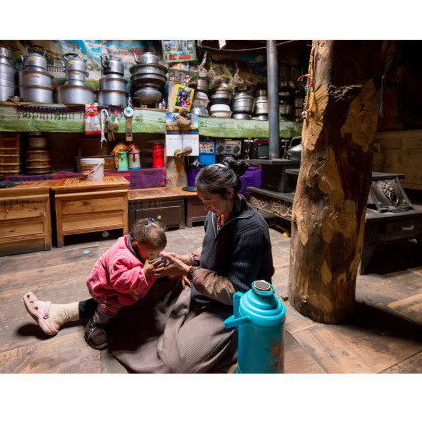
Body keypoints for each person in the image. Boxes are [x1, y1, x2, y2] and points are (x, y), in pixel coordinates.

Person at [23, 157, 274, 373]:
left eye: (208, 200)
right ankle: (63, 311)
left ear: (230, 193)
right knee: (137, 281)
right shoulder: (216, 213)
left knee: (176, 364)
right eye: (202, 200)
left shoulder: (250, 229)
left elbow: (237, 292)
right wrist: (188, 259)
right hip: (202, 285)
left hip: (232, 309)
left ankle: (192, 331)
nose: (205, 207)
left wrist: (188, 270)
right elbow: (213, 250)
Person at [23, 218, 168, 350]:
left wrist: (174, 274)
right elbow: (120, 283)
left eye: (158, 252)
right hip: (105, 288)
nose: (156, 257)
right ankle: (96, 324)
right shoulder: (120, 257)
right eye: (153, 254)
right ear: (136, 246)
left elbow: (161, 257)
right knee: (113, 303)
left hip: (129, 283)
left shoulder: (145, 247)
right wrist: (143, 273)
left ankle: (55, 312)